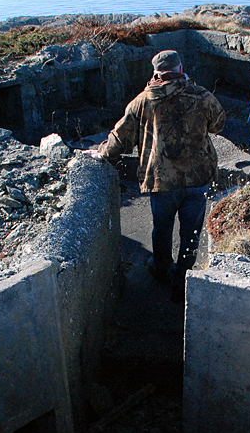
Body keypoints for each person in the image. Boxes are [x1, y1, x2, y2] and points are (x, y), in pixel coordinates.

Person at [83, 50, 225, 301]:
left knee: (162, 229)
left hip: (162, 181)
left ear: (156, 73)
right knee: (191, 232)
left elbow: (121, 138)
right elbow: (218, 124)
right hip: (198, 178)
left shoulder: (142, 101)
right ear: (181, 70)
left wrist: (102, 154)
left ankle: (161, 270)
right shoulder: (202, 96)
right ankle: (182, 281)